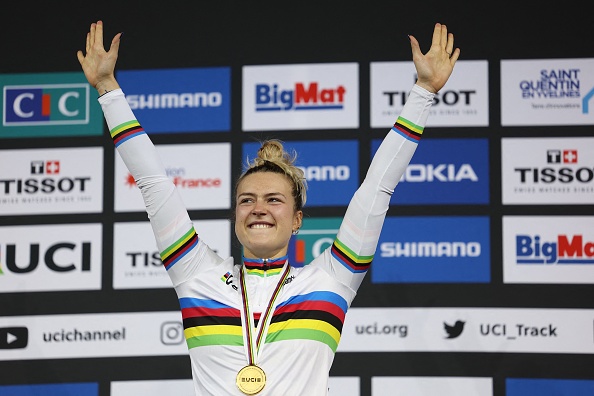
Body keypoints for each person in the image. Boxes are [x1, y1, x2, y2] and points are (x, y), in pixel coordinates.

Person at [77, 20, 459, 396]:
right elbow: (153, 183)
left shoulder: (331, 280)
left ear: (297, 221)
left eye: (274, 199)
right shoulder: (196, 275)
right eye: (247, 200)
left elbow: (377, 188)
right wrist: (107, 89)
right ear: (235, 217)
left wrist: (423, 92)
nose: (258, 208)